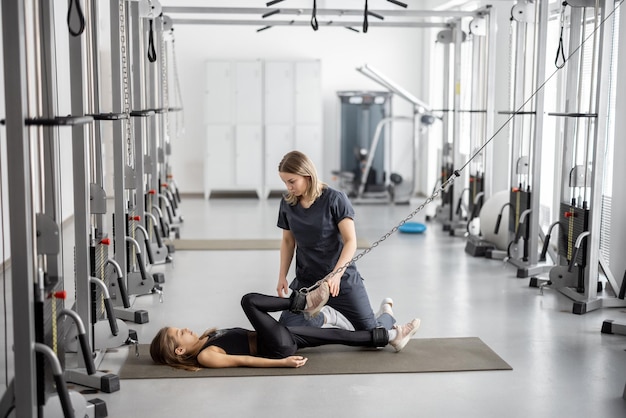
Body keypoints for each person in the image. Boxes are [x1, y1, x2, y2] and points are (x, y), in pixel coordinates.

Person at [276, 150, 395, 331]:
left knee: (372, 333)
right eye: (285, 182)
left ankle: (387, 314)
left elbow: (350, 241)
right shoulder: (287, 203)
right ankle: (327, 316)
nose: (288, 187)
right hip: (308, 282)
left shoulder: (335, 199)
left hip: (340, 279)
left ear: (307, 176)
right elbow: (287, 242)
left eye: (292, 181)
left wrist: (337, 275)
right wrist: (282, 276)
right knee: (286, 329)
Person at [150, 291, 420, 370]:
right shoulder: (204, 356)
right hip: (277, 347)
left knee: (337, 336)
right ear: (180, 350)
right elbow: (244, 360)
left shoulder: (208, 337)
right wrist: (281, 362)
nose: (185, 328)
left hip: (281, 337)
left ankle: (390, 336)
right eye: (179, 333)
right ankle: (302, 301)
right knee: (248, 301)